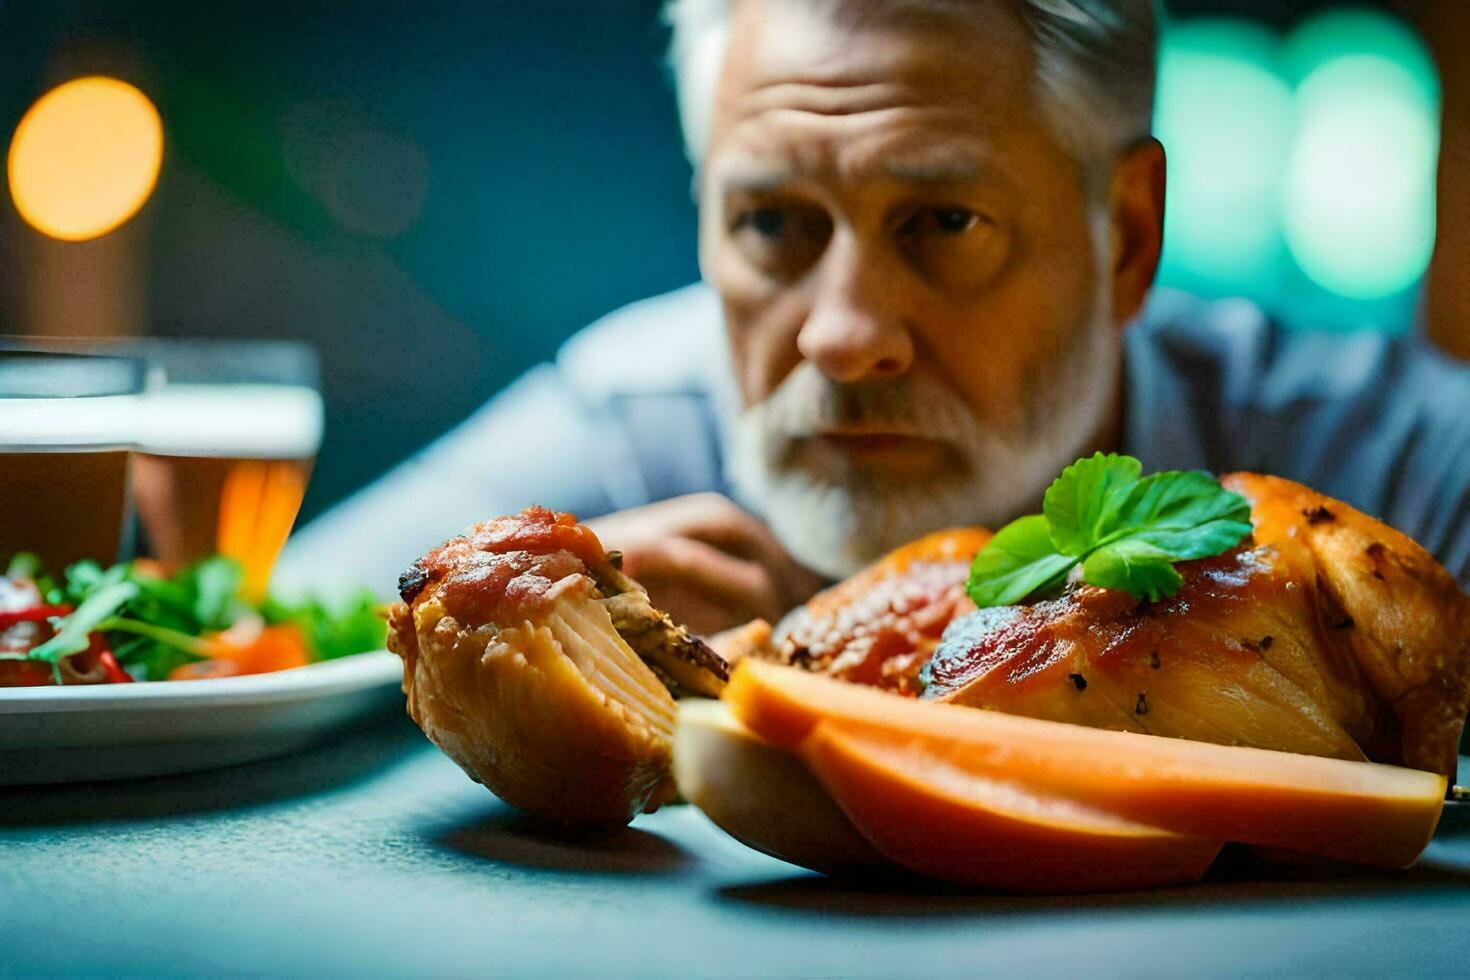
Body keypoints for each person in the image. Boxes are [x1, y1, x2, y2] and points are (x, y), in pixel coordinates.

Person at [278, 0, 1470, 635]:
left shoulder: (1398, 471)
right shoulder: (634, 432)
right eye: (773, 226)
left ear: (1130, 238)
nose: (841, 335)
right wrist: (506, 635)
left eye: (943, 223)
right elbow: (274, 633)